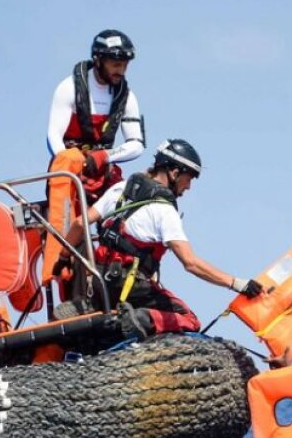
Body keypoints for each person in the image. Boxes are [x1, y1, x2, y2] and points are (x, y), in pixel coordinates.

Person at [59, 139, 262, 335]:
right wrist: (237, 283)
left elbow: (78, 223)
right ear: (174, 173)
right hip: (131, 287)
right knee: (188, 319)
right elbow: (190, 263)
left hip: (98, 281)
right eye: (189, 178)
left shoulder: (120, 190)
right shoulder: (164, 211)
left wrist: (62, 258)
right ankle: (140, 319)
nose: (189, 186)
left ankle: (86, 306)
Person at [43, 30, 145, 286]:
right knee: (69, 226)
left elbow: (137, 144)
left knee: (127, 213)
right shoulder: (69, 88)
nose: (121, 70)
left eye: (124, 65)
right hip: (70, 173)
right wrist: (71, 165)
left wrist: (105, 156)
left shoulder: (127, 96)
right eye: (115, 64)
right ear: (98, 60)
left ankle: (126, 279)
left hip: (104, 172)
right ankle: (63, 275)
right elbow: (53, 135)